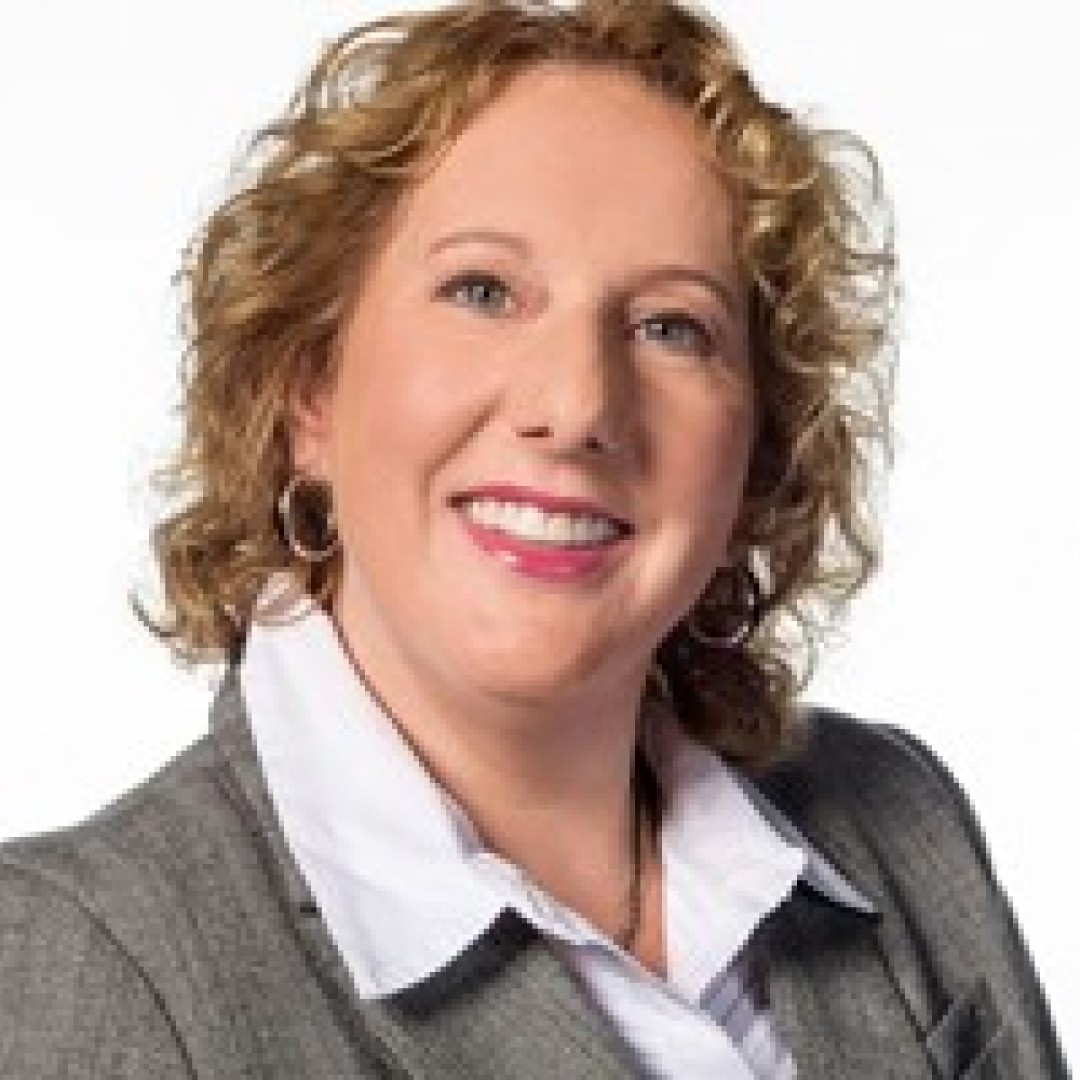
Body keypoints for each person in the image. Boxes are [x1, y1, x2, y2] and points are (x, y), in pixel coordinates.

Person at [0, 0, 1068, 1076]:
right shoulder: (79, 960)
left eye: (670, 326)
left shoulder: (898, 824)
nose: (578, 404)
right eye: (483, 291)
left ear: (755, 450)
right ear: (308, 390)